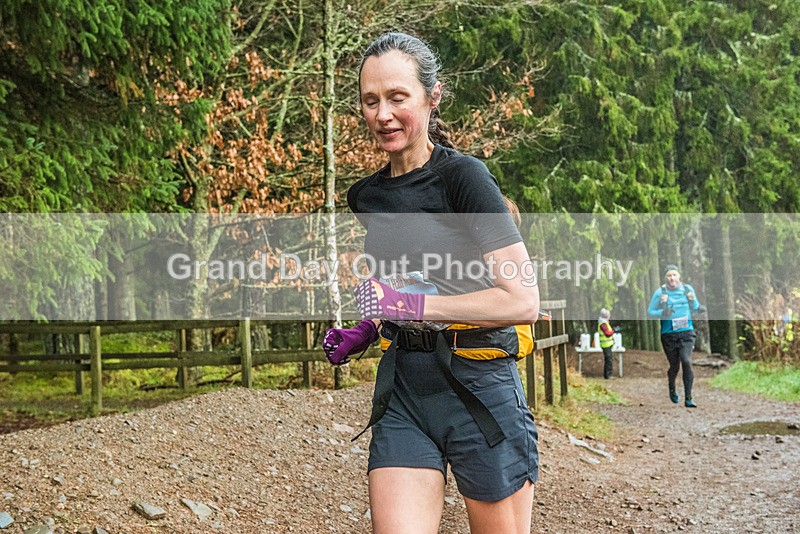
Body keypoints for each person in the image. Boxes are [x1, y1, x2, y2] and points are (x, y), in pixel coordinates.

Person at [322, 32, 540, 534]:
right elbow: (394, 286)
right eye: (370, 101)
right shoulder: (367, 197)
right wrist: (367, 326)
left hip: (479, 388)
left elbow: (522, 300)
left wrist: (414, 304)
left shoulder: (464, 179)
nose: (383, 114)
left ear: (432, 96)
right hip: (405, 390)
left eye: (398, 98)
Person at [647, 264, 704, 408]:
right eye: (669, 276)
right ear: (665, 278)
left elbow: (694, 306)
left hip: (686, 333)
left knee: (686, 361)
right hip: (669, 335)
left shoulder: (687, 289)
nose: (672, 278)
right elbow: (650, 312)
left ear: (679, 277)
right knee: (674, 366)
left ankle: (688, 398)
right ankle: (672, 386)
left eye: (674, 275)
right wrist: (662, 313)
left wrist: (700, 308)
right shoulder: (660, 293)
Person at [597, 308, 615, 379]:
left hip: (608, 344)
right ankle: (608, 375)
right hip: (606, 345)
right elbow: (607, 333)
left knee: (608, 359)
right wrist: (612, 332)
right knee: (608, 360)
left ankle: (607, 374)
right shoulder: (603, 324)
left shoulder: (604, 323)